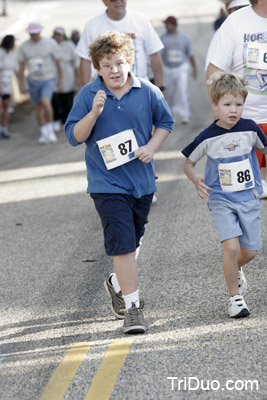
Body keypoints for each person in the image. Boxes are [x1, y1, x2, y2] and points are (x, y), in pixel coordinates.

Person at [65, 31, 174, 334]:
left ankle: (117, 282)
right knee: (123, 246)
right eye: (106, 65)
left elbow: (166, 122)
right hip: (106, 184)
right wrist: (94, 112)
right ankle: (134, 308)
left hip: (141, 182)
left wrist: (151, 147)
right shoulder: (88, 95)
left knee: (133, 241)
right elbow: (74, 136)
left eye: (119, 63)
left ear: (130, 62)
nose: (114, 70)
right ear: (97, 68)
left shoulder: (148, 91)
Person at [182, 72, 267, 318]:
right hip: (221, 199)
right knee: (230, 248)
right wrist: (195, 178)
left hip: (248, 197)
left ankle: (233, 269)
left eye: (238, 105)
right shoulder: (208, 136)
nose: (233, 110)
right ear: (215, 107)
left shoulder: (250, 129)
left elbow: (264, 149)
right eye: (227, 105)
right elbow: (188, 163)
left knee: (249, 252)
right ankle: (235, 298)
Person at [206, 0, 267, 198]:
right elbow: (214, 71)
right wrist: (220, 114)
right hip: (247, 122)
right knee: (243, 197)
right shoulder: (236, 22)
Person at [76, 0, 165, 92]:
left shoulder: (141, 20)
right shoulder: (92, 25)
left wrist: (160, 87)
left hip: (139, 89)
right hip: (106, 92)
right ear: (104, 2)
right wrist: (85, 93)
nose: (118, 2)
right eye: (113, 0)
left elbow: (154, 54)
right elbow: (85, 60)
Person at [18, 22, 63, 144]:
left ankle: (50, 130)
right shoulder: (24, 47)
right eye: (32, 34)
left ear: (40, 32)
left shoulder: (50, 43)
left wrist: (60, 80)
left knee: (45, 101)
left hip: (48, 78)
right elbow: (21, 66)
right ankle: (44, 132)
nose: (34, 36)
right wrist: (22, 84)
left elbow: (58, 62)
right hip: (33, 80)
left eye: (36, 33)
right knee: (38, 107)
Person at [160, 16, 197, 124]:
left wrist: (194, 68)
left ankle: (185, 114)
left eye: (168, 24)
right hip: (168, 67)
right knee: (169, 91)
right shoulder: (163, 38)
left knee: (182, 90)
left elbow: (190, 53)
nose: (166, 26)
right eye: (165, 24)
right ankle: (171, 112)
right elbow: (158, 55)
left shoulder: (184, 37)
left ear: (174, 25)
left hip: (181, 67)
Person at [205, 0, 250, 71]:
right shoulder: (223, 32)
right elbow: (212, 70)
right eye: (239, 8)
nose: (243, 11)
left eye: (247, 7)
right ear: (229, 11)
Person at [51, 27, 80, 132]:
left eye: (60, 35)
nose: (58, 37)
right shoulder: (51, 44)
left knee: (68, 101)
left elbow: (75, 62)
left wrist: (77, 78)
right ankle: (56, 119)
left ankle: (66, 120)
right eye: (56, 34)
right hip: (54, 75)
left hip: (68, 75)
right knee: (55, 100)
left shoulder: (69, 45)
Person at [0, 35, 18, 139]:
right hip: (1, 82)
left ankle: (4, 128)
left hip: (7, 83)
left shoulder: (12, 54)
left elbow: (15, 68)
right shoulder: (1, 52)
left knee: (6, 107)